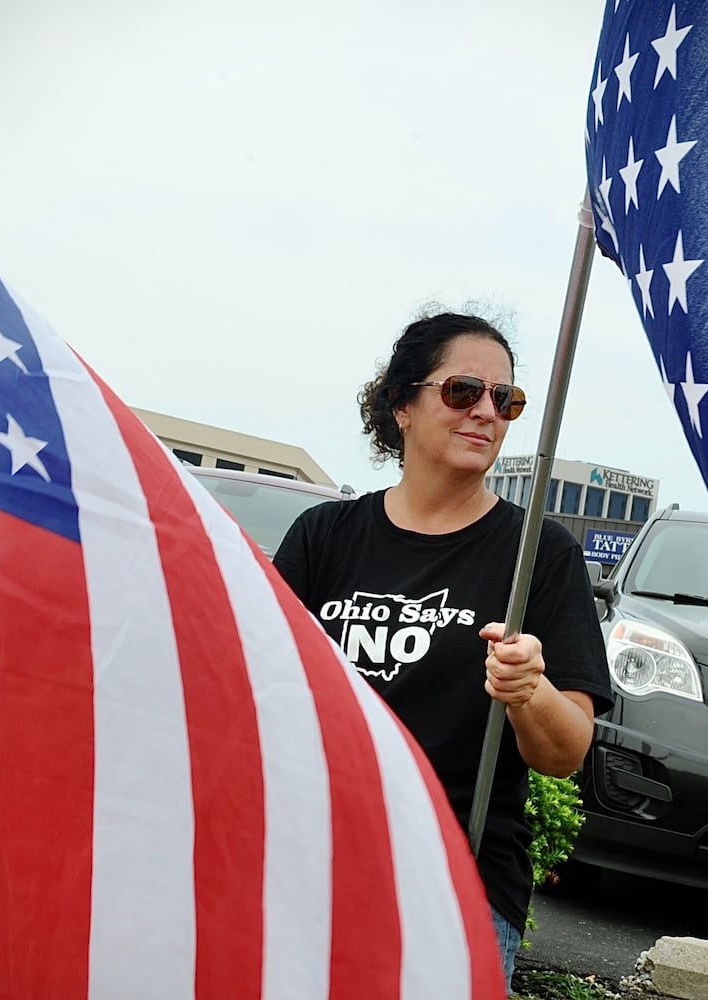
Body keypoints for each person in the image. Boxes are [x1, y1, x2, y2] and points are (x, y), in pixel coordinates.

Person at [273, 311, 612, 991]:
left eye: (505, 399)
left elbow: (564, 751)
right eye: (462, 391)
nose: (486, 412)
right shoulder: (324, 536)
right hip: (314, 869)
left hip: (460, 883)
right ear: (401, 403)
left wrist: (529, 691)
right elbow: (261, 691)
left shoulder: (538, 555)